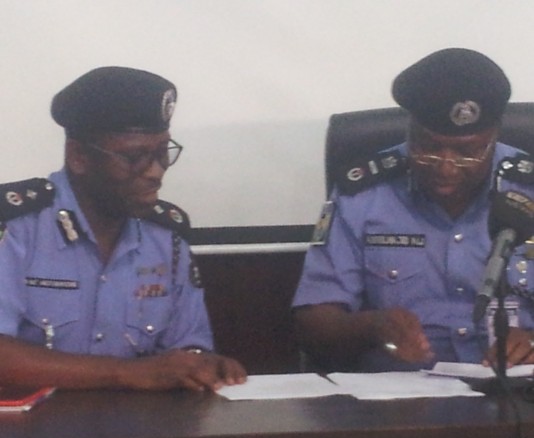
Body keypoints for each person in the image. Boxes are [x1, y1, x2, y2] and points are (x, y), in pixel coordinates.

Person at [0, 66, 247, 391]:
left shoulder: (167, 238)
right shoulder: (17, 227)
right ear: (78, 157)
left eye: (162, 153)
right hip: (31, 423)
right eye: (135, 157)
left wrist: (201, 365)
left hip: (138, 423)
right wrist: (124, 372)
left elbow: (188, 345)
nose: (155, 172)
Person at [292, 48, 534, 372]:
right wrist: (370, 326)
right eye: (428, 148)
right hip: (401, 393)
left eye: (468, 153)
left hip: (516, 389)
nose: (446, 168)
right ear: (410, 130)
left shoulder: (528, 188)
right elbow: (312, 321)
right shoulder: (364, 193)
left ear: (494, 137)